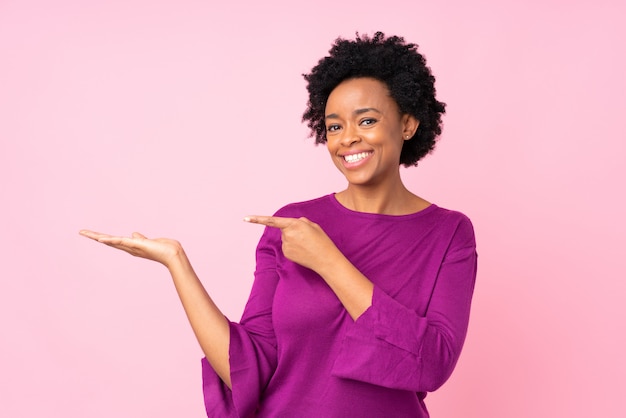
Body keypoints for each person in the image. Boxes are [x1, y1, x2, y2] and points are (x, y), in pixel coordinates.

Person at [80, 32, 477, 418]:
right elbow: (248, 364)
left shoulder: (449, 233)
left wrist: (329, 262)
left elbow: (433, 363)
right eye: (335, 126)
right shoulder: (293, 223)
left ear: (407, 124)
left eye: (367, 120)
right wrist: (176, 263)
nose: (348, 139)